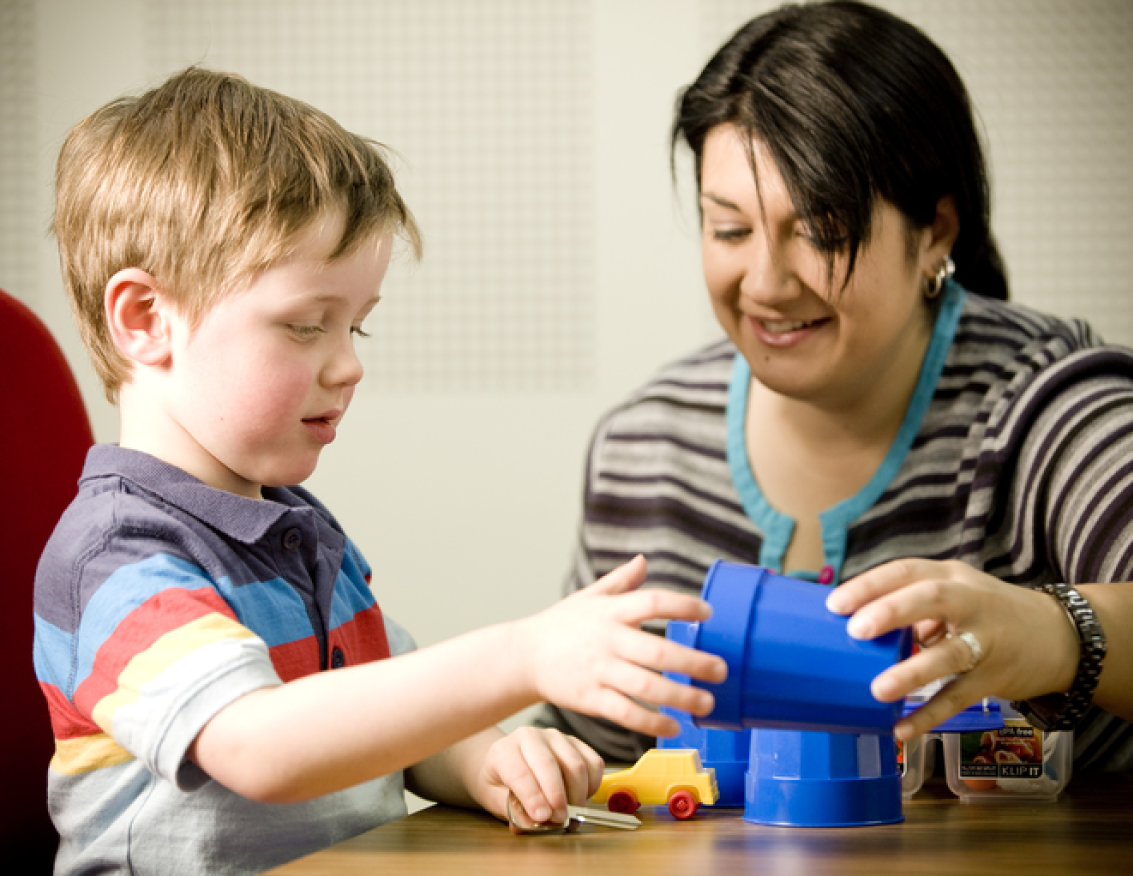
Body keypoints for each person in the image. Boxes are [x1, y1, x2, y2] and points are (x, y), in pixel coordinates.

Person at [34, 67, 726, 875]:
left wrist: (486, 761)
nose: (348, 366)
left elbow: (389, 713)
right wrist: (522, 656)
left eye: (356, 328)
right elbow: (263, 745)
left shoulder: (298, 530)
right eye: (304, 326)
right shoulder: (115, 558)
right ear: (146, 319)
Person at [539, 0, 1133, 769]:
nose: (766, 281)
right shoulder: (646, 445)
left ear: (936, 232)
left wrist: (1055, 634)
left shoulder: (1050, 411)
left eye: (821, 230)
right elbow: (591, 743)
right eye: (729, 229)